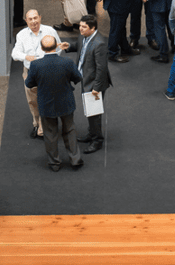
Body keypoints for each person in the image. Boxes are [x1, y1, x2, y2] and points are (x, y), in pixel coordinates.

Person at [25, 36, 83, 172]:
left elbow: (29, 83)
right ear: (56, 46)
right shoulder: (67, 62)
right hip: (66, 102)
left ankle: (54, 163)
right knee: (69, 130)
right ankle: (75, 159)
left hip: (46, 104)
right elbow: (78, 78)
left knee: (50, 133)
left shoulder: (36, 65)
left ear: (41, 48)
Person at [11, 9, 61, 139]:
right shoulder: (21, 35)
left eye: (35, 18)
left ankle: (47, 126)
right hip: (30, 73)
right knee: (33, 101)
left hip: (48, 72)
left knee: (49, 99)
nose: (34, 21)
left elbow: (59, 48)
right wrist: (27, 57)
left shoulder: (50, 31)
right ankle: (37, 124)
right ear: (26, 21)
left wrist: (48, 58)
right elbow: (15, 54)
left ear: (40, 17)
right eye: (30, 19)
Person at [67, 15, 110, 153]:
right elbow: (81, 47)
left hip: (93, 85)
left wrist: (96, 88)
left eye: (84, 27)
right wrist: (68, 46)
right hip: (85, 80)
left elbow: (101, 69)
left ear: (93, 28)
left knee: (94, 113)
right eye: (80, 25)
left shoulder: (100, 43)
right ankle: (91, 134)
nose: (80, 28)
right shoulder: (83, 36)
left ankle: (97, 140)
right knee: (89, 111)